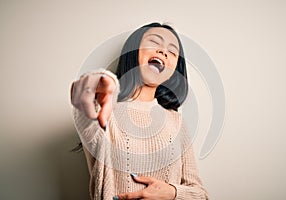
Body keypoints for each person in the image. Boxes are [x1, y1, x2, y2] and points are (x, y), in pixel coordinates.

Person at [71, 22, 209, 200]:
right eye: (154, 43)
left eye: (172, 52)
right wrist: (95, 87)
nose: (163, 52)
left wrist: (172, 192)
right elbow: (83, 108)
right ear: (133, 52)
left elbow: (200, 194)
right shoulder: (104, 110)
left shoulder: (177, 122)